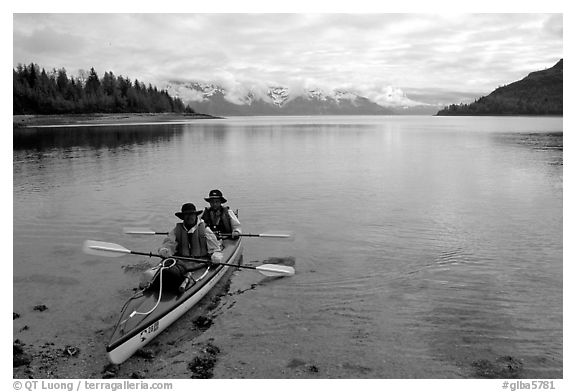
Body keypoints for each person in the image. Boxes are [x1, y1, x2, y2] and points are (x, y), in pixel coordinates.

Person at [156, 203, 222, 291]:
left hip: (200, 262)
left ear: (195, 215)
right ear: (183, 217)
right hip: (181, 261)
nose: (189, 217)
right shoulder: (176, 230)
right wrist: (165, 250)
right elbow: (169, 243)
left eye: (191, 214)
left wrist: (215, 256)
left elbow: (215, 248)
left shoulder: (205, 230)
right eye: (186, 215)